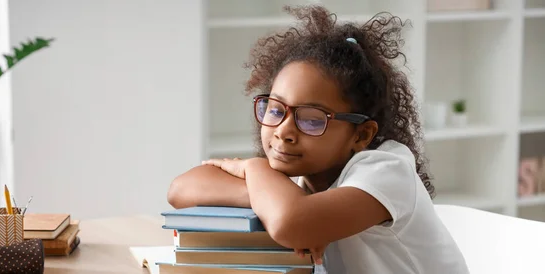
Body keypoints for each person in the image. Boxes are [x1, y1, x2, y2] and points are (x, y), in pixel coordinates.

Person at [168, 5, 469, 273]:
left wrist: (255, 171)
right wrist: (276, 197)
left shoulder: (386, 171)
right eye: (275, 109)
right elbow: (182, 189)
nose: (284, 130)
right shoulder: (301, 177)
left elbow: (289, 222)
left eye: (312, 119)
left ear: (361, 134)